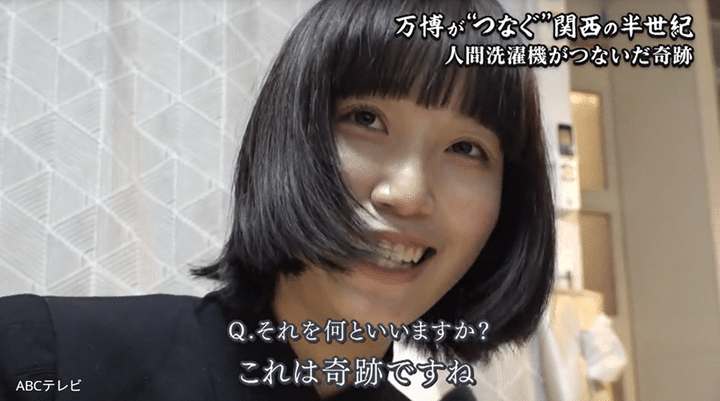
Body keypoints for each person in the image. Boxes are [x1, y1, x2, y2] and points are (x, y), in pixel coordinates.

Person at [0, 0, 555, 400]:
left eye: (466, 148)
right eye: (366, 119)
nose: (407, 195)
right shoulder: (42, 360)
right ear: (288, 137)